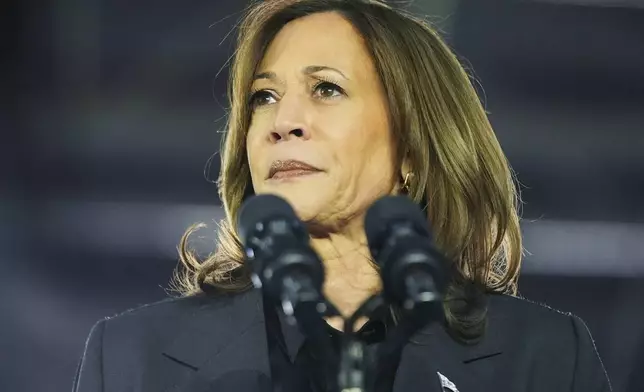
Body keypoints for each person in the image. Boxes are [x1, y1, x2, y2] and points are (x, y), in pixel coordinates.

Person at [72, 0, 612, 391]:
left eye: (326, 88)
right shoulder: (130, 359)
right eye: (264, 96)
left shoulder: (544, 358)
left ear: (412, 150)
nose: (283, 122)